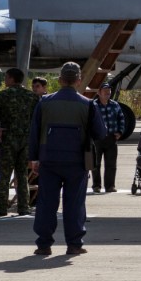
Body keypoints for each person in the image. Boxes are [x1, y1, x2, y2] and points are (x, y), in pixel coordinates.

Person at [28, 61, 106, 256]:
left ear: (60, 80)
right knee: (74, 204)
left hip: (49, 160)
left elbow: (34, 133)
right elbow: (100, 133)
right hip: (77, 162)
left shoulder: (44, 102)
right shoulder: (88, 104)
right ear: (78, 81)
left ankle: (44, 245)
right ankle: (74, 244)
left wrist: (34, 159)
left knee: (46, 203)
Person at [0, 68, 40, 217]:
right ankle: (23, 207)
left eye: (6, 77)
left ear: (12, 79)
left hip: (8, 139)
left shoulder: (2, 96)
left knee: (5, 175)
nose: (5, 80)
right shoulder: (32, 97)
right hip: (27, 140)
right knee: (22, 175)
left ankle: (1, 207)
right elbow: (38, 120)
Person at [90, 82, 125, 193]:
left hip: (111, 138)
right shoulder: (93, 105)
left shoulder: (115, 105)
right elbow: (88, 121)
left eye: (109, 91)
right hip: (97, 139)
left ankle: (110, 186)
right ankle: (96, 185)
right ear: (99, 92)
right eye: (105, 91)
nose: (107, 93)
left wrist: (120, 131)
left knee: (111, 164)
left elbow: (121, 119)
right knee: (96, 163)